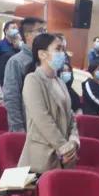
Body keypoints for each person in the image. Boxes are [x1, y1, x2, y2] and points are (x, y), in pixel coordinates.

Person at [18, 32, 79, 173]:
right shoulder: (33, 79)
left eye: (63, 49)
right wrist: (64, 147)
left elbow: (71, 116)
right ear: (42, 54)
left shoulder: (61, 83)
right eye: (58, 49)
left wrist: (73, 141)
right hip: (41, 157)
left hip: (64, 157)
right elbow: (42, 119)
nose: (62, 54)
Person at [3, 17, 47, 132]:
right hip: (26, 127)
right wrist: (18, 128)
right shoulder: (16, 62)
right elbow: (11, 98)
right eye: (41, 31)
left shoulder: (46, 62)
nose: (44, 35)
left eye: (45, 31)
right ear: (27, 35)